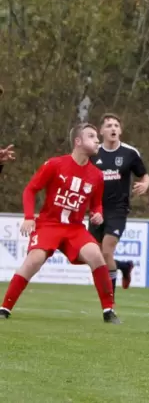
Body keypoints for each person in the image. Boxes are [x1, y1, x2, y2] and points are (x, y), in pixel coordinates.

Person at [0, 123, 120, 324]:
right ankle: (5, 307)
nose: (97, 139)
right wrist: (29, 217)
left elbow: (96, 204)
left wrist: (97, 214)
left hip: (74, 228)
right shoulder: (55, 164)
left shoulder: (97, 175)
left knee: (96, 256)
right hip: (49, 224)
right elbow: (30, 189)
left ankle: (109, 311)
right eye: (91, 136)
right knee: (34, 261)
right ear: (78, 142)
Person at [88, 113, 149, 296]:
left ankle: (110, 301)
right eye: (108, 125)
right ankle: (123, 266)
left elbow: (144, 175)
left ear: (120, 130)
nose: (113, 128)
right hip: (96, 209)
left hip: (118, 209)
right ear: (101, 131)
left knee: (107, 251)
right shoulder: (93, 152)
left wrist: (145, 184)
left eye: (116, 125)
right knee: (96, 255)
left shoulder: (130, 153)